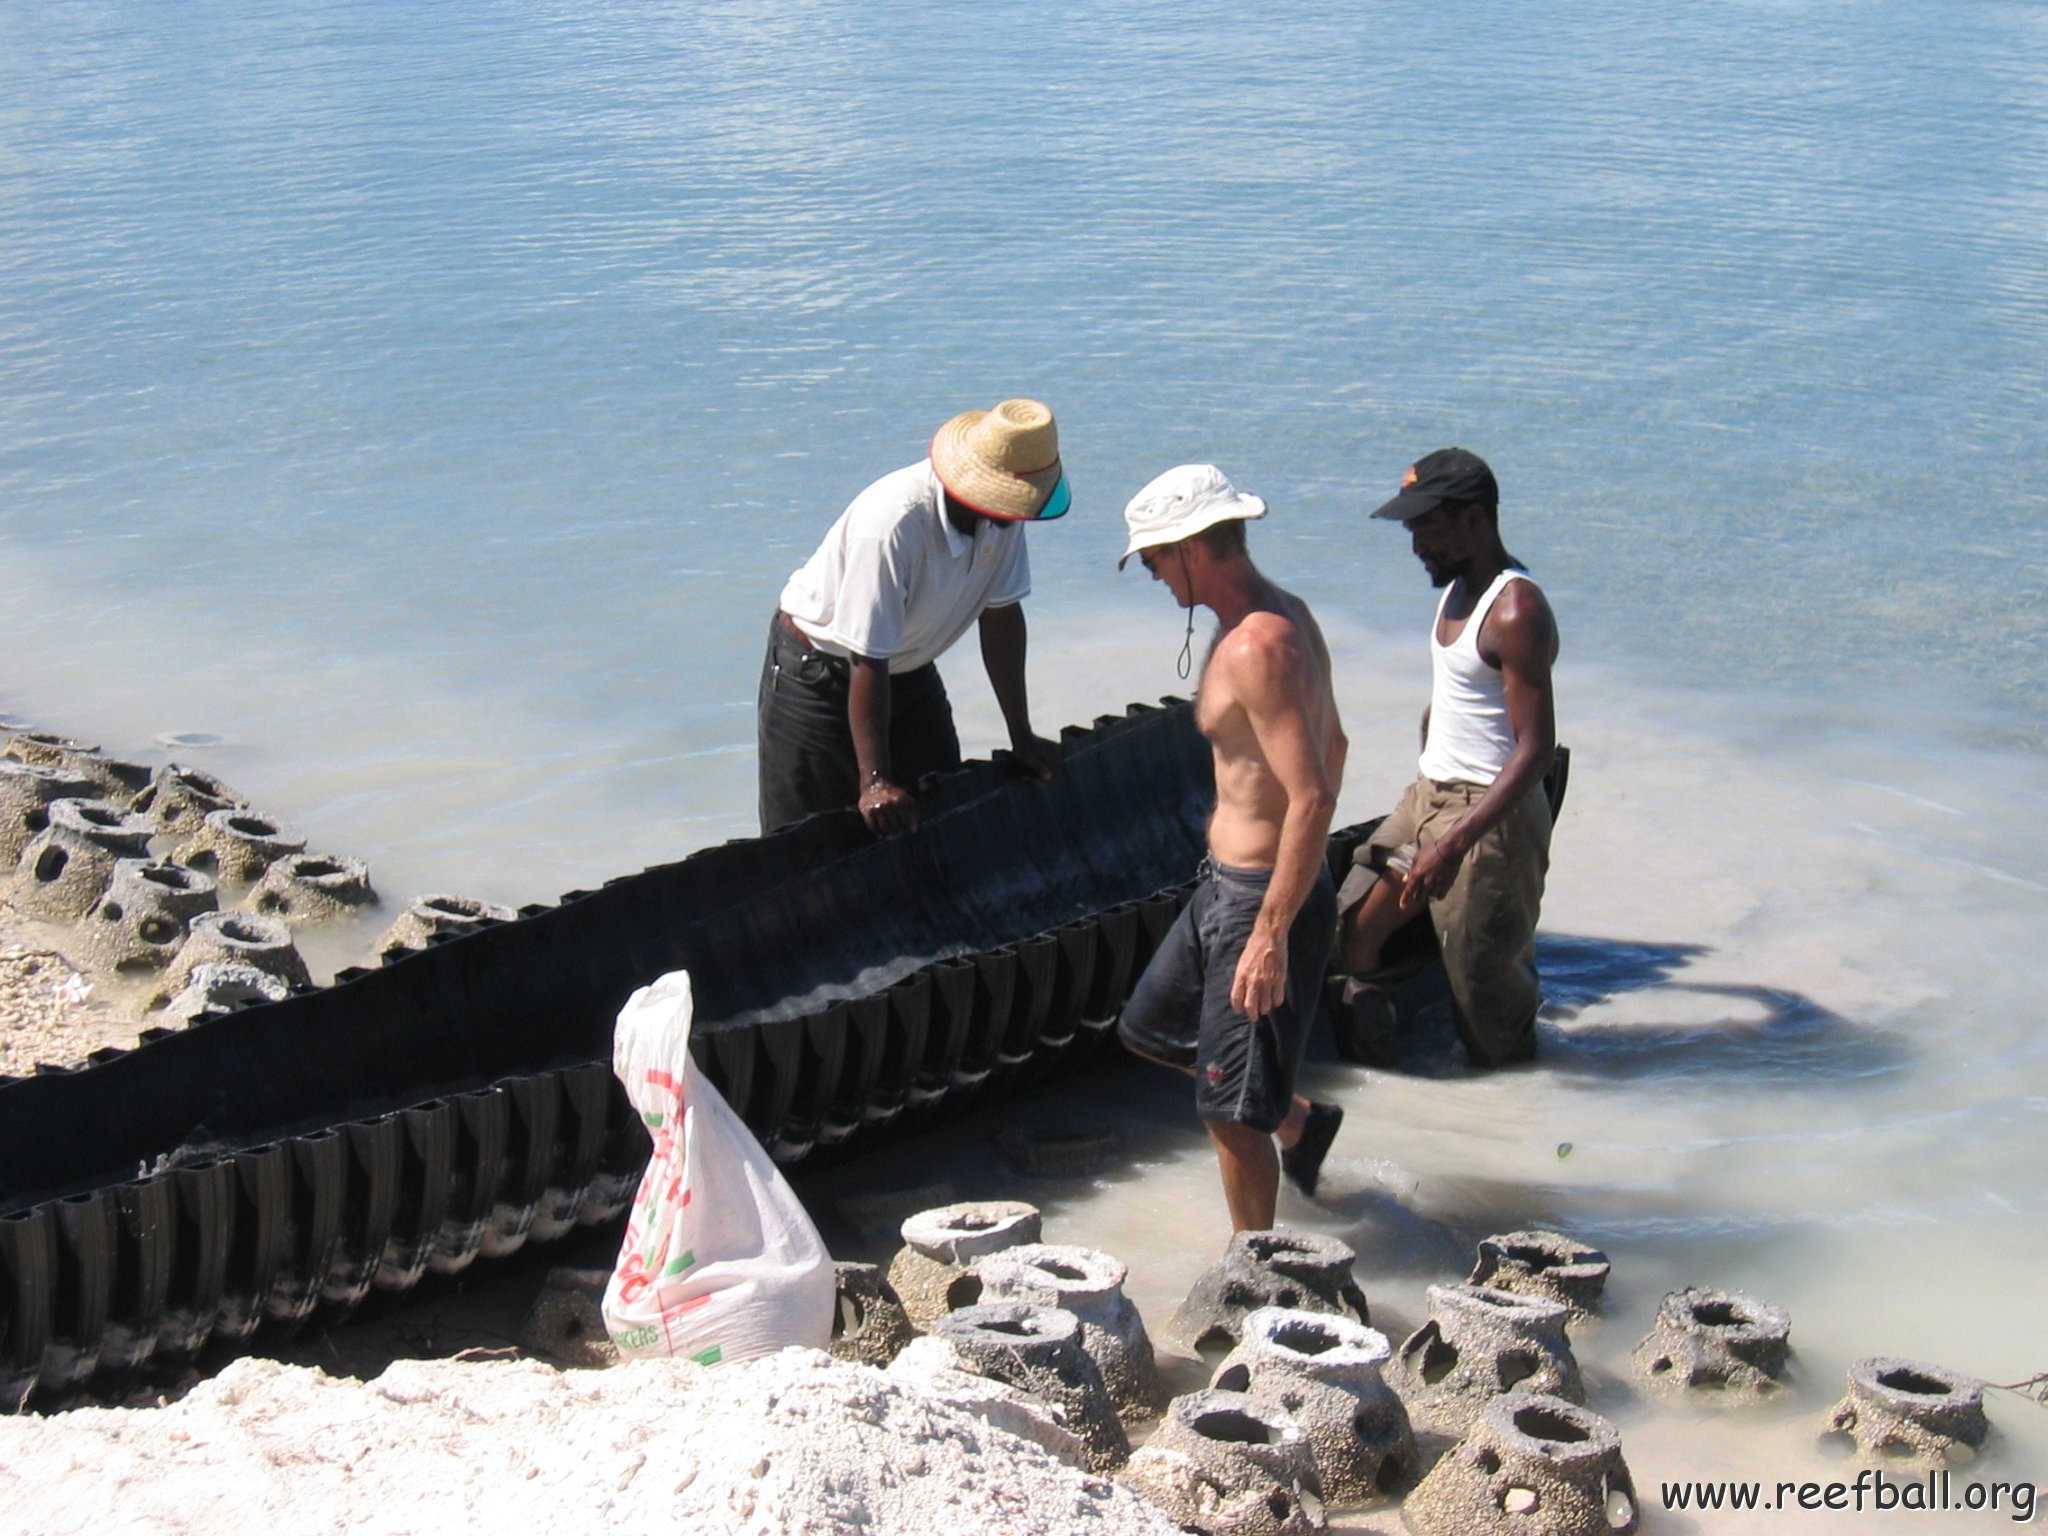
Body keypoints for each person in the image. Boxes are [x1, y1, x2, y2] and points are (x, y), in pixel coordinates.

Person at [1114, 464, 1348, 1232]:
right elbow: (1336, 742)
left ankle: (1256, 1273)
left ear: (1192, 548)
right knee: (1150, 1028)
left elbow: (1313, 792)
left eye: (1153, 558)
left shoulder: (1257, 646)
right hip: (1226, 883)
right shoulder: (1280, 617)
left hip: (1258, 897)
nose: (1150, 573)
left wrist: (1273, 929)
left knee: (1228, 1115)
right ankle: (1301, 1121)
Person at [1338, 447, 1559, 1068]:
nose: (1416, 547)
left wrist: (1455, 843)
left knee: (1490, 1014)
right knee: (1353, 931)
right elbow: (1462, 692)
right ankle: (1384, 1085)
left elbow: (1536, 747)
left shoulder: (1516, 610)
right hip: (1429, 795)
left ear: (1474, 521)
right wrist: (1433, 735)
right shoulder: (1456, 588)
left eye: (1426, 528)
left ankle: (1511, 1126)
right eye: (1412, 531)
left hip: (1492, 821)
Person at [758, 399, 1067, 836]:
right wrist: (875, 780)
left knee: (938, 815)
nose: (1017, 513)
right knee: (806, 840)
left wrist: (1022, 734)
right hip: (819, 674)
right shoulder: (893, 524)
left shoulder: (1003, 520)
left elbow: (1001, 617)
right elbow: (867, 655)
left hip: (906, 668)